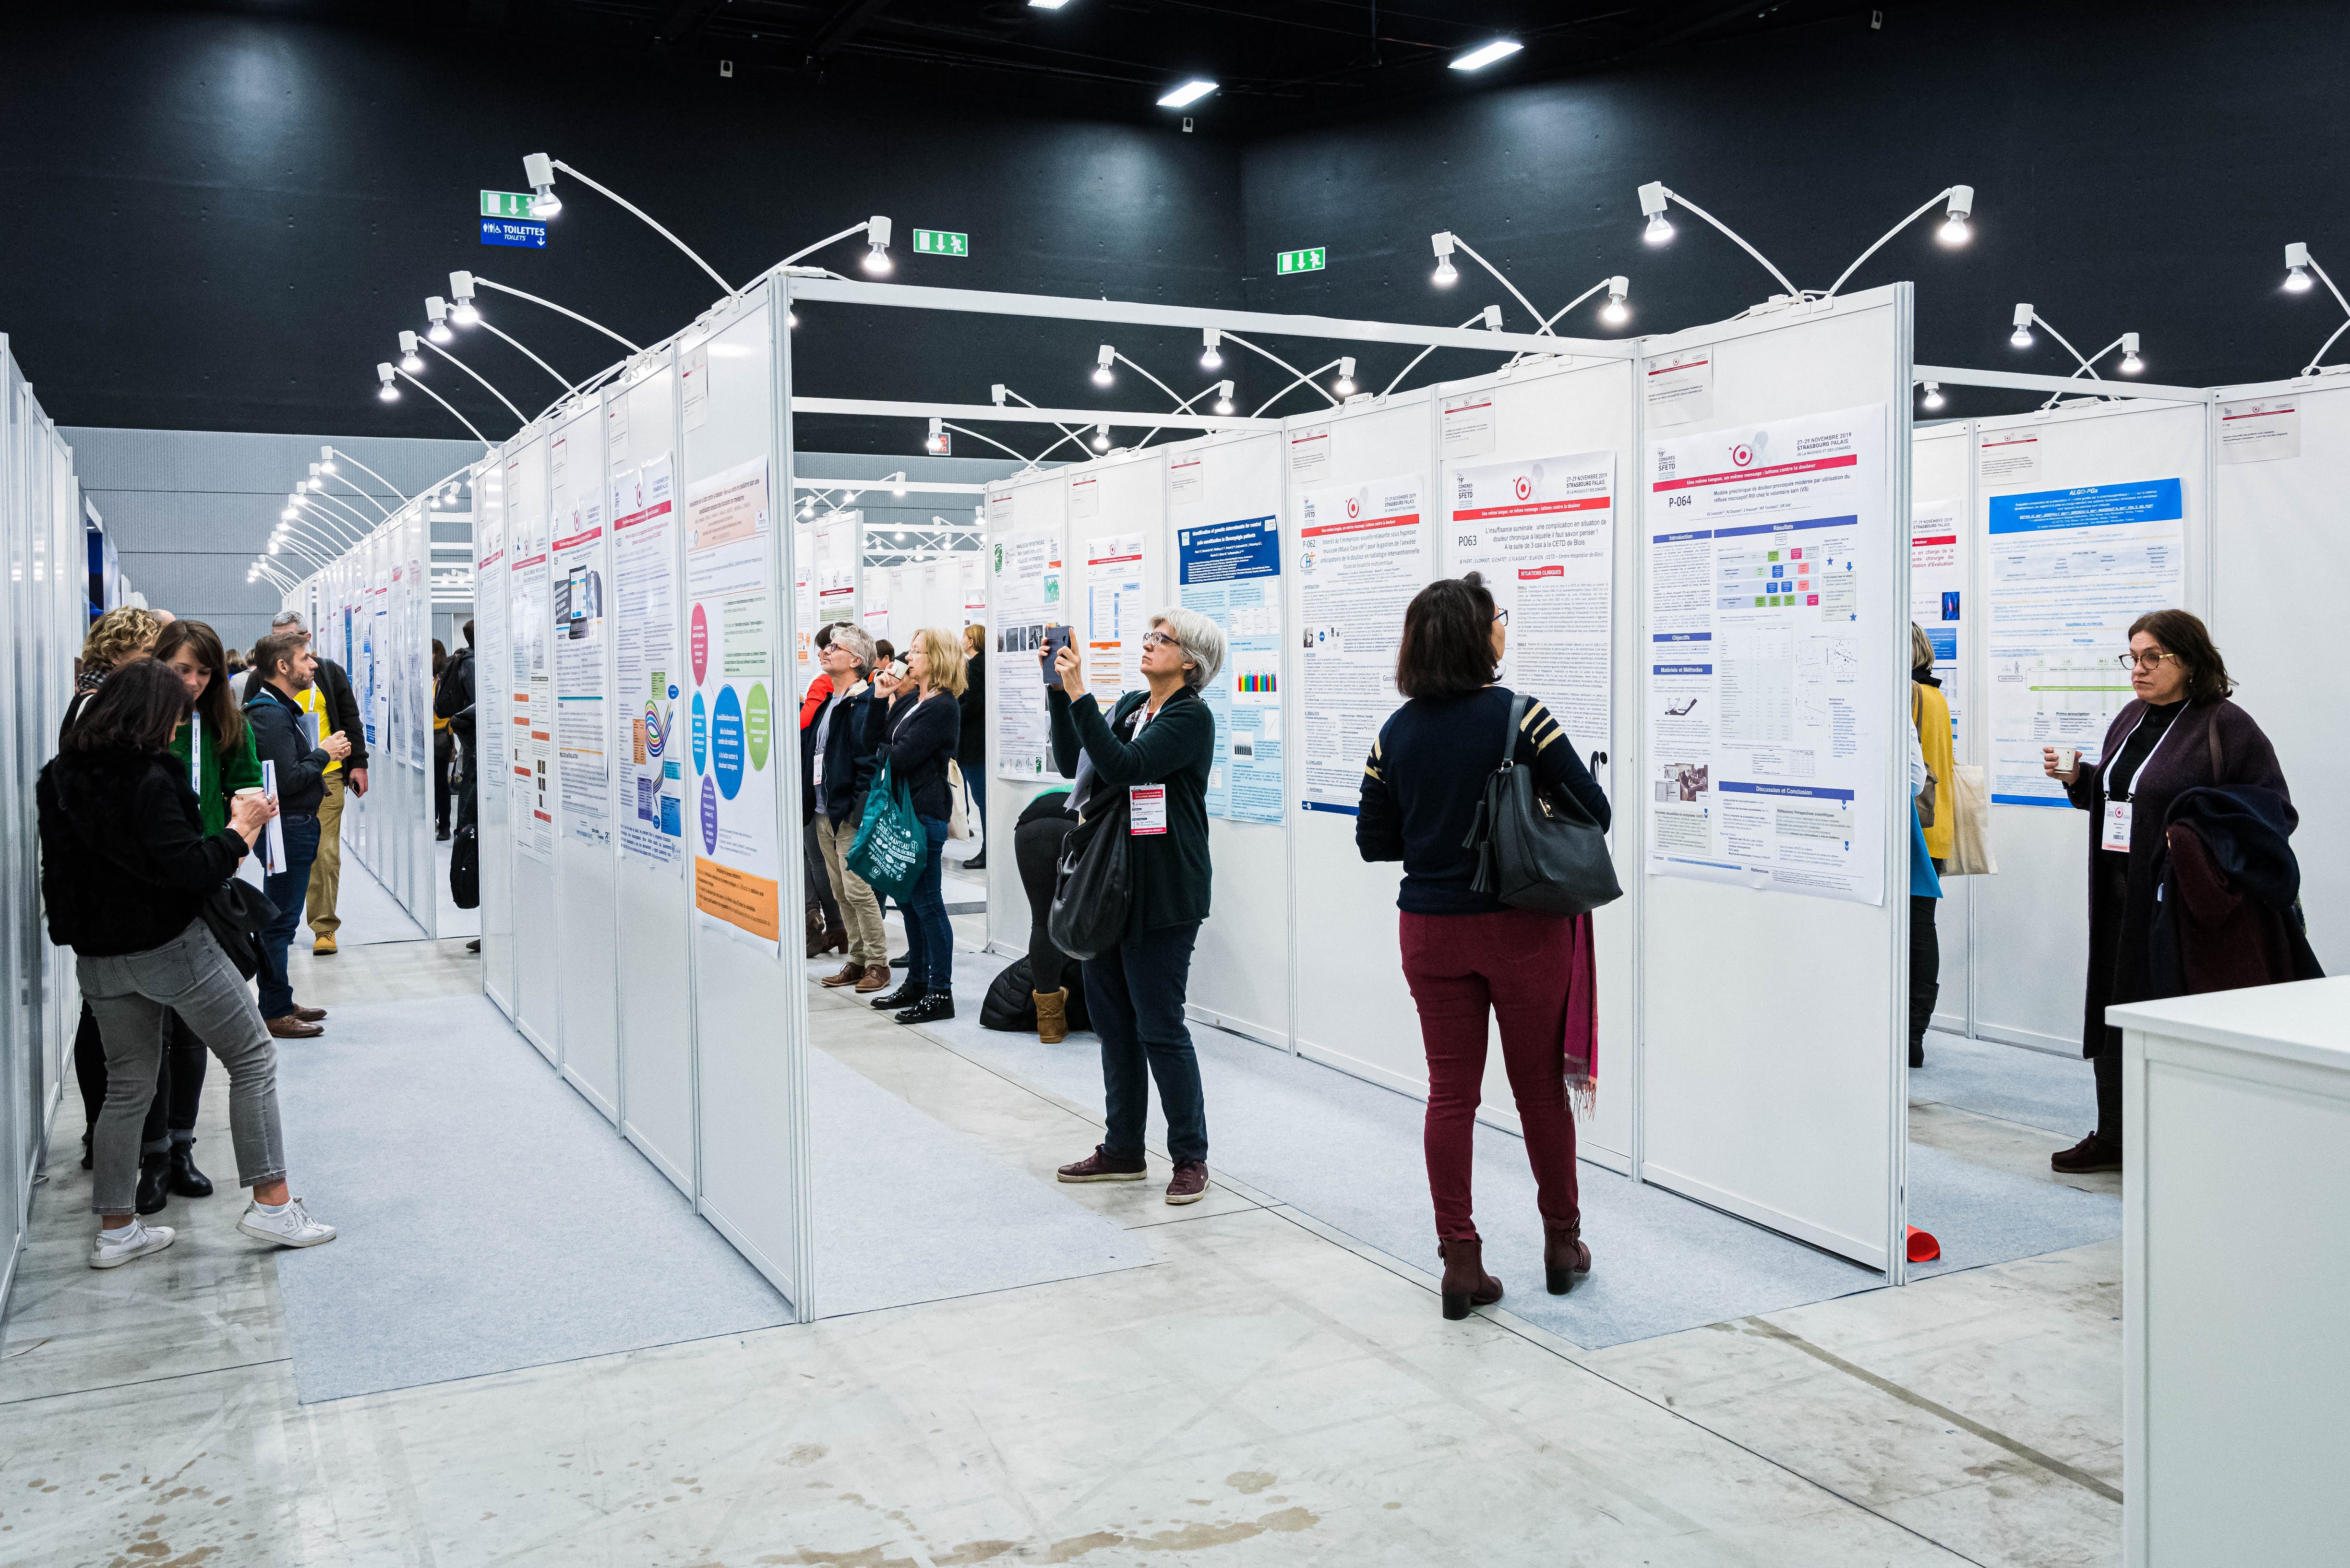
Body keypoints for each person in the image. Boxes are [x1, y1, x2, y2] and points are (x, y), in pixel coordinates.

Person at [1355, 574, 1610, 1318]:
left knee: (1450, 1095)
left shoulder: (1392, 733)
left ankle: (1461, 1261)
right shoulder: (1525, 719)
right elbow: (1593, 812)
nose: (1504, 626)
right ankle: (1563, 1244)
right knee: (1539, 1096)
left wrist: (1437, 837)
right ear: (1479, 635)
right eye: (1497, 617)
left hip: (1430, 931)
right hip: (1522, 926)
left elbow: (1375, 843)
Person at [37, 658, 338, 1269]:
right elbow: (195, 870)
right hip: (171, 946)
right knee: (253, 1056)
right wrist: (243, 826)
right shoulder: (152, 779)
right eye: (175, 714)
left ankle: (117, 1231)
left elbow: (63, 871)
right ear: (152, 715)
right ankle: (273, 1205)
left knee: (127, 1087)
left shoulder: (58, 777)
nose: (181, 724)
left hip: (97, 956)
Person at [2042, 609, 2294, 1173]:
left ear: (2190, 659)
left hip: (2178, 905)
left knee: (2166, 1011)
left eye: (2153, 657)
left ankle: (2179, 1146)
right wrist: (2079, 780)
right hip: (2117, 898)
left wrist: (2193, 836)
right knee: (2113, 1006)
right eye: (2132, 657)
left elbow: (2273, 811)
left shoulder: (2226, 725)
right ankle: (2114, 1135)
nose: (2138, 669)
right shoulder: (2130, 718)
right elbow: (2121, 799)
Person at [1046, 607, 1224, 1207]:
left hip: (1165, 891)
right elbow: (1079, 759)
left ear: (1190, 660)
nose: (1147, 646)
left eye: (1161, 640)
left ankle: (1190, 1156)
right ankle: (1123, 1148)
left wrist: (1080, 695)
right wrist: (1059, 693)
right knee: (1114, 1024)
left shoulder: (1190, 718)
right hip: (1110, 886)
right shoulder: (1128, 707)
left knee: (1160, 1026)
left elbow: (1126, 768)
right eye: (1148, 636)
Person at [120, 619, 266, 1209]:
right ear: (158, 666)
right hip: (142, 893)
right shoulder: (138, 725)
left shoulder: (226, 723)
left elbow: (247, 783)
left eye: (205, 673)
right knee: (145, 1033)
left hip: (206, 883)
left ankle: (181, 1147)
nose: (195, 683)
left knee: (190, 1031)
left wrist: (245, 815)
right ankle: (151, 1156)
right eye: (183, 670)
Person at [63, 606, 169, 1176]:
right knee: (105, 1021)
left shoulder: (90, 696)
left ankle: (108, 1135)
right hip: (108, 884)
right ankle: (106, 1137)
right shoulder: (101, 706)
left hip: (97, 881)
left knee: (105, 1016)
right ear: (124, 651)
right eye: (151, 655)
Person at [243, 631, 351, 1037]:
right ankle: (274, 1010)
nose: (314, 665)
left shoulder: (278, 710)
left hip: (292, 825)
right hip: (288, 827)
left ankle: (280, 999)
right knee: (280, 922)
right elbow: (287, 780)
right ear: (283, 667)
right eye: (306, 659)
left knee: (281, 921)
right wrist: (325, 753)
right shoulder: (270, 714)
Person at [867, 627, 967, 1024]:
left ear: (938, 658)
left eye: (917, 652)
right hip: (902, 812)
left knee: (927, 902)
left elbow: (903, 757)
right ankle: (919, 981)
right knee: (908, 902)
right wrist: (878, 702)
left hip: (924, 813)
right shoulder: (913, 700)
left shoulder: (943, 706)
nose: (908, 659)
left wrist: (885, 754)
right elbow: (872, 740)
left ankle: (940, 990)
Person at [269, 610, 367, 957]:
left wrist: (358, 764)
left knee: (324, 853)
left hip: (327, 776)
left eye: (290, 637)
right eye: (276, 636)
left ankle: (324, 926)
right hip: (283, 781)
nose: (281, 643)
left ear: (306, 637)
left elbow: (350, 717)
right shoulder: (263, 680)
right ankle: (280, 925)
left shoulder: (326, 671)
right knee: (285, 854)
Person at [804, 624, 892, 993]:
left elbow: (869, 763)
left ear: (856, 660)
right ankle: (856, 959)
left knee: (857, 890)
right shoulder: (830, 703)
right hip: (824, 811)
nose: (824, 651)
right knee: (840, 893)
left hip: (847, 813)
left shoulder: (862, 703)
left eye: (834, 647)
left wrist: (856, 812)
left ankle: (878, 962)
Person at [1910, 624, 1954, 1069]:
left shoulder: (1906, 693)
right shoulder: (1935, 696)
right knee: (1923, 928)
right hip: (1934, 826)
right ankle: (1914, 1033)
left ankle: (1909, 1036)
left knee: (1916, 932)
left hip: (1912, 829)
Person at [1014, 788, 1083, 1041]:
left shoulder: (1051, 792)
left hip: (1030, 827)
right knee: (1093, 921)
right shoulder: (1096, 787)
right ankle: (1105, 1023)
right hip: (1075, 824)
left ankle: (1050, 1024)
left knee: (1042, 922)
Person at [800, 623, 847, 958]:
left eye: (829, 648)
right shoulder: (869, 683)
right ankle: (836, 927)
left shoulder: (823, 684)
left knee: (817, 859)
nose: (823, 654)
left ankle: (827, 923)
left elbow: (804, 724)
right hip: (836, 789)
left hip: (823, 789)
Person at [958, 623, 989, 871]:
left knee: (982, 799)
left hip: (974, 744)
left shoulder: (975, 666)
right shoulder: (982, 664)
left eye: (965, 636)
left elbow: (974, 703)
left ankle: (988, 850)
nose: (962, 639)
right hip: (978, 743)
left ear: (972, 641)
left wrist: (951, 712)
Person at [432, 637, 452, 840]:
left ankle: (445, 826)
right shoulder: (428, 678)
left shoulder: (443, 679)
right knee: (430, 783)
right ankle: (434, 821)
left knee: (440, 783)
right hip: (426, 737)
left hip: (440, 737)